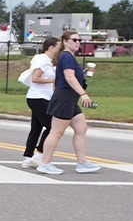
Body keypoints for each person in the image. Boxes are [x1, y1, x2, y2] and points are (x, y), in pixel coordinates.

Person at [36, 30, 99, 175]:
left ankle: (82, 163)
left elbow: (63, 78)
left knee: (81, 128)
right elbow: (69, 78)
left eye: (79, 40)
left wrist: (83, 73)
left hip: (69, 99)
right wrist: (83, 94)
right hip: (65, 98)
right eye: (74, 40)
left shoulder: (67, 58)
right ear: (65, 41)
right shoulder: (67, 56)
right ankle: (45, 163)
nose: (78, 43)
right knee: (56, 132)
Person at [19, 37, 59, 168]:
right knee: (53, 126)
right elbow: (35, 78)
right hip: (38, 98)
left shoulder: (48, 61)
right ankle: (39, 154)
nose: (60, 50)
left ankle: (28, 158)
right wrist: (51, 81)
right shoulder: (42, 60)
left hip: (41, 97)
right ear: (51, 47)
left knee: (36, 127)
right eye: (58, 47)